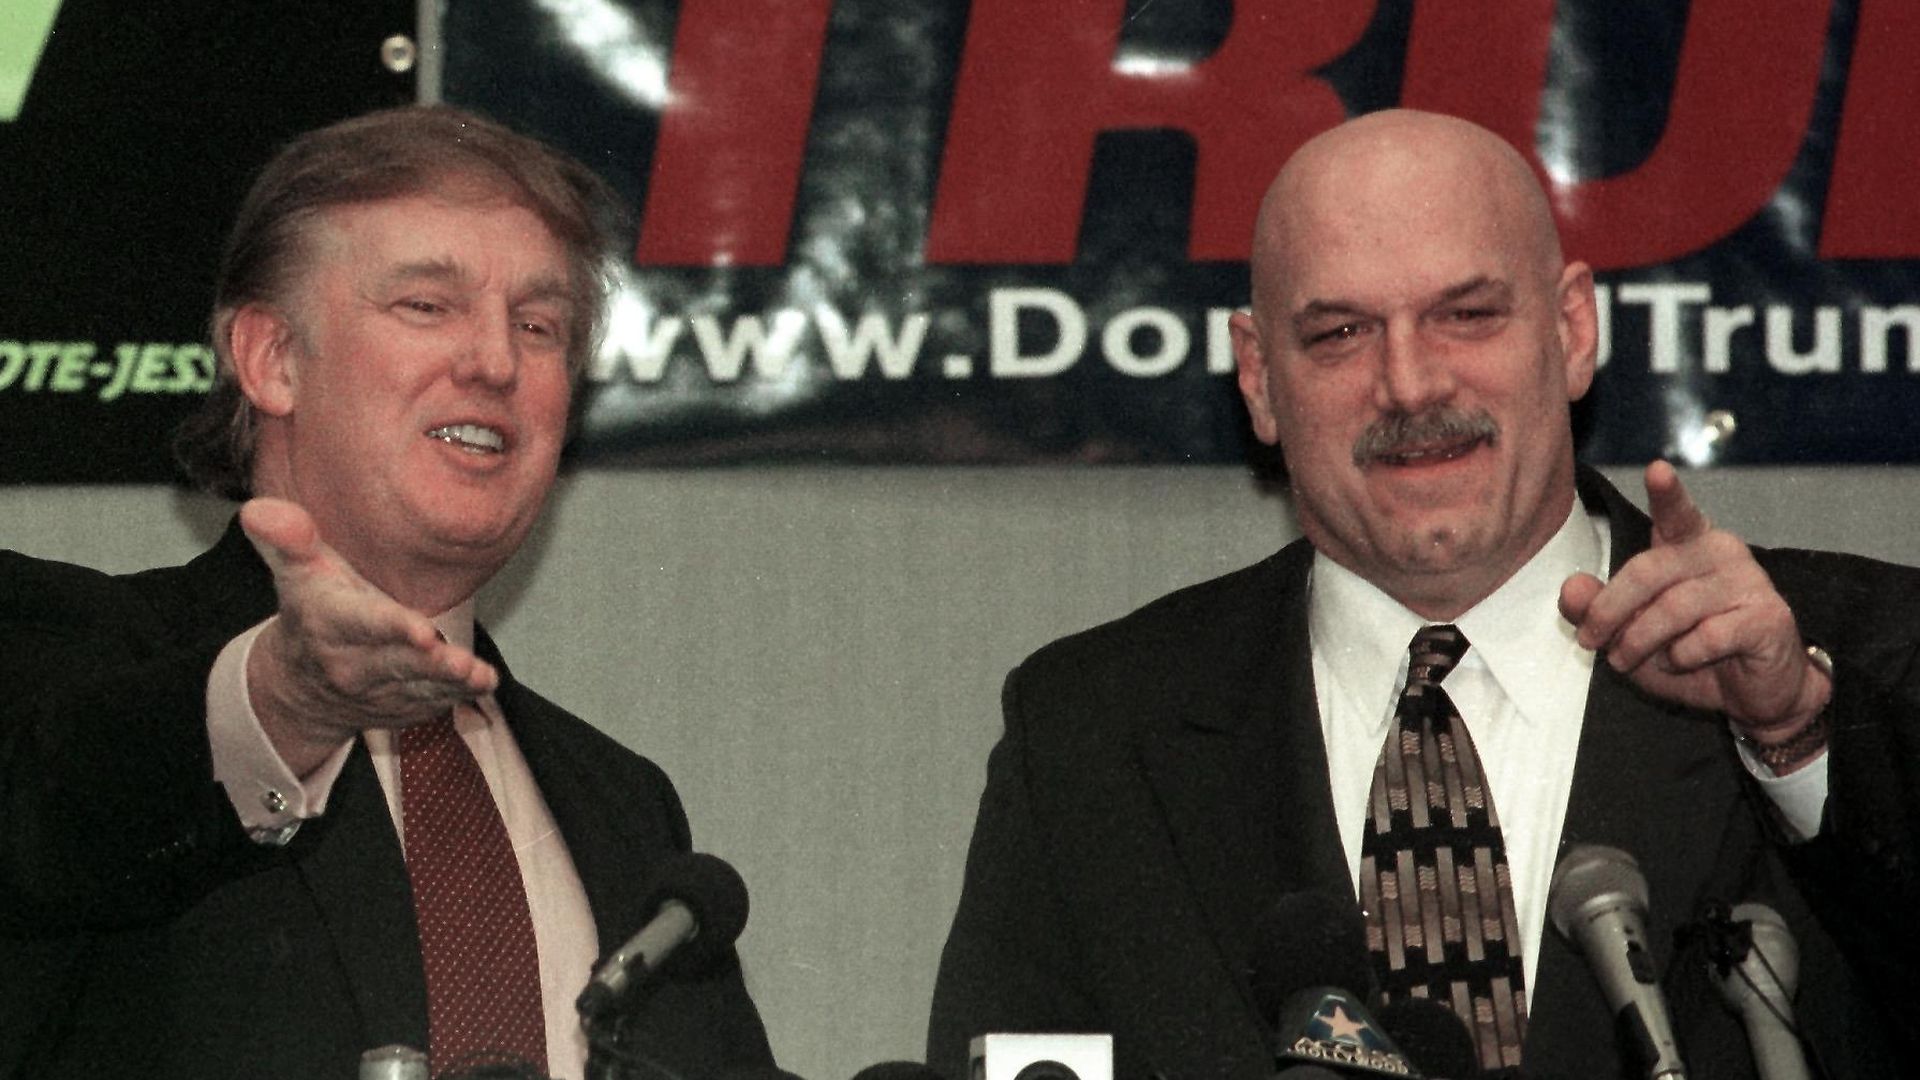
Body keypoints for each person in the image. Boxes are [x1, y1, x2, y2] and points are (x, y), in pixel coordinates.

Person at [926, 110, 1920, 1080]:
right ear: (1262, 379)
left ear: (1573, 331)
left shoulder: (1857, 662)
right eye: (1341, 332)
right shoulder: (1092, 734)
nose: (1407, 384)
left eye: (1467, 315)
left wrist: (1795, 743)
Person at [0, 105, 772, 1080]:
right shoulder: (69, 659)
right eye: (427, 306)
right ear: (273, 358)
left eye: (539, 326)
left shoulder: (626, 807)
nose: (496, 361)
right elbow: (65, 811)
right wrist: (282, 701)